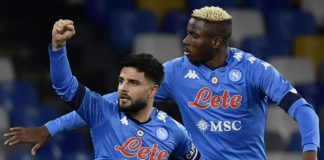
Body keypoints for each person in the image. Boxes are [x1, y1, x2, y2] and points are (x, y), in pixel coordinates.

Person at [4, 6, 319, 160]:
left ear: (216, 42)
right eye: (186, 31)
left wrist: (309, 153)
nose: (184, 40)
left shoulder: (254, 70)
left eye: (194, 36)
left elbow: (304, 111)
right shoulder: (176, 73)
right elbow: (109, 101)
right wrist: (51, 127)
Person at [4, 19, 201, 160]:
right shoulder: (102, 112)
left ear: (152, 91)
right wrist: (58, 48)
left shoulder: (174, 130)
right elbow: (65, 86)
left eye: (133, 83)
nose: (123, 88)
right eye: (121, 81)